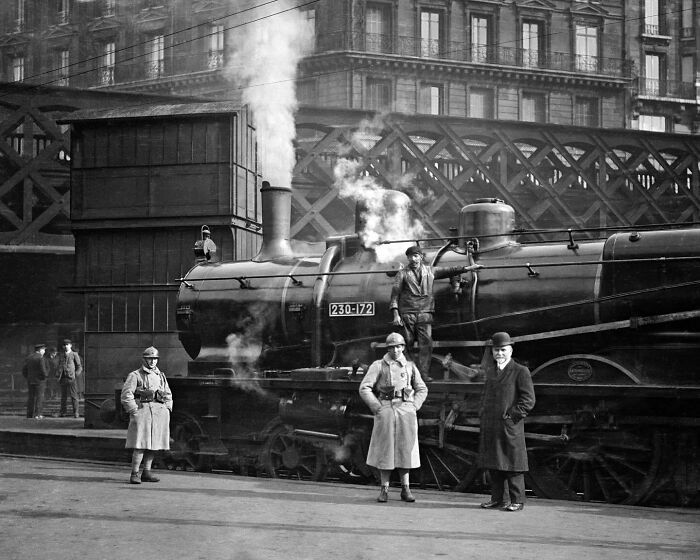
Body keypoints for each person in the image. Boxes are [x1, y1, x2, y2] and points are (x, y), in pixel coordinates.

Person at [390, 245, 482, 381]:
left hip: (425, 313)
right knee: (406, 344)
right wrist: (395, 314)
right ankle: (408, 372)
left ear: (420, 257)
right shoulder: (402, 273)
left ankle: (423, 374)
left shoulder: (430, 271)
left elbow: (449, 270)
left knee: (426, 345)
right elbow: (394, 295)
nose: (413, 259)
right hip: (407, 314)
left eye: (415, 256)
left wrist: (468, 268)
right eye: (410, 256)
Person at [359, 332, 428, 503]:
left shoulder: (410, 367)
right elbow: (365, 388)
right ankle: (384, 489)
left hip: (406, 412)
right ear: (387, 348)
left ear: (403, 347)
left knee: (406, 450)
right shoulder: (378, 365)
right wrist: (377, 408)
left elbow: (422, 388)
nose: (395, 350)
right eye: (391, 347)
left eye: (398, 346)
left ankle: (406, 489)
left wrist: (414, 405)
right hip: (387, 412)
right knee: (386, 451)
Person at [478, 332, 536, 512]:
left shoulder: (520, 371)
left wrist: (512, 416)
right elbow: (485, 396)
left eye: (503, 350)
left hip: (509, 425)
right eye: (496, 350)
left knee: (513, 465)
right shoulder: (491, 372)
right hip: (492, 424)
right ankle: (498, 499)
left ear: (510, 350)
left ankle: (517, 500)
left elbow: (528, 400)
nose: (499, 354)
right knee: (495, 464)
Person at [120, 346, 173, 485]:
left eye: (155, 359)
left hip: (158, 413)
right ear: (144, 359)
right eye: (149, 359)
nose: (152, 362)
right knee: (140, 445)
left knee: (153, 445)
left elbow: (167, 393)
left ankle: (147, 472)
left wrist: (167, 408)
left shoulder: (161, 375)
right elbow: (126, 395)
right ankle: (135, 473)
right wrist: (134, 411)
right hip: (142, 412)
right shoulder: (135, 375)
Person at [56, 339, 83, 418]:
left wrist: (75, 374)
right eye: (64, 345)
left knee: (74, 396)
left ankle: (76, 412)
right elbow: (59, 366)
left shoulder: (74, 354)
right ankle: (63, 412)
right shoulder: (61, 355)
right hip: (63, 378)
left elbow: (79, 367)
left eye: (67, 345)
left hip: (71, 378)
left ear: (70, 345)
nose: (66, 346)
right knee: (63, 397)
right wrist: (58, 374)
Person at [22, 343, 49, 419]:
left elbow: (24, 370)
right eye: (43, 350)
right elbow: (43, 370)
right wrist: (45, 376)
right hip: (40, 381)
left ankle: (30, 414)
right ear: (40, 350)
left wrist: (28, 377)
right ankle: (38, 414)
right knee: (39, 397)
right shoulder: (41, 358)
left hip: (30, 381)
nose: (44, 351)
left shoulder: (29, 357)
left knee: (31, 397)